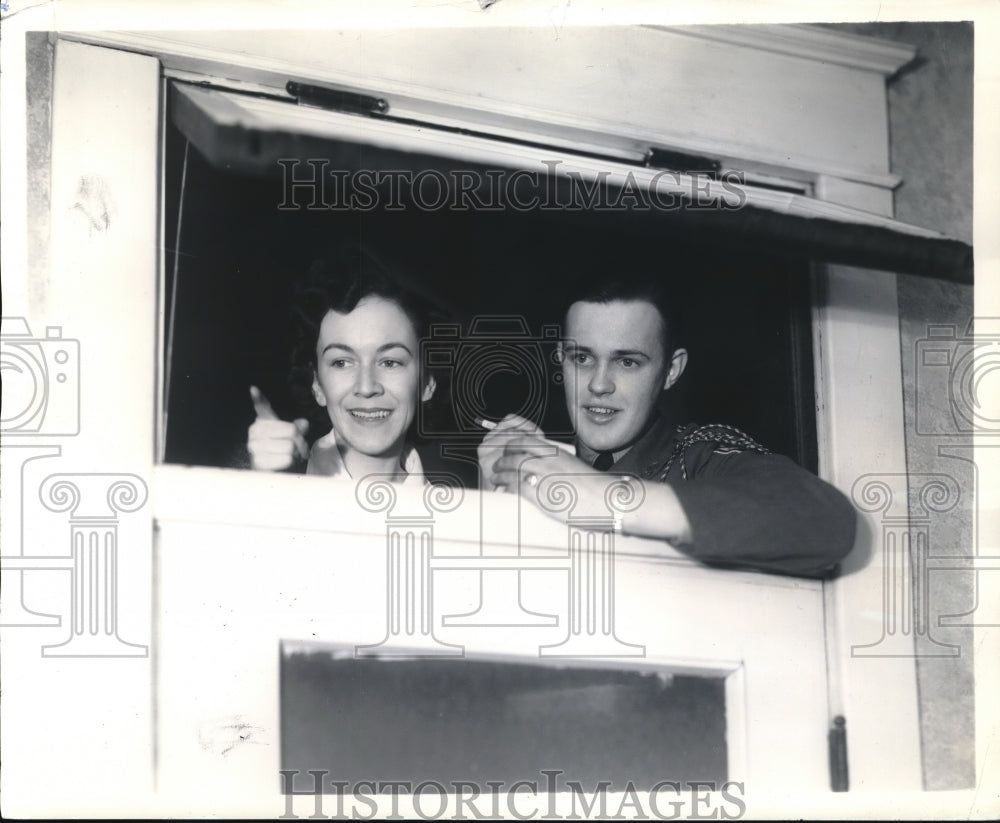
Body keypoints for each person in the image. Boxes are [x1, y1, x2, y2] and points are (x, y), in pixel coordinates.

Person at [478, 275, 856, 578]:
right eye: (582, 358)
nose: (598, 384)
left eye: (627, 362)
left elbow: (828, 522)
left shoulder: (701, 452)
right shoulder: (536, 463)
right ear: (560, 360)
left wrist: (609, 498)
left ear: (670, 371)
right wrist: (491, 503)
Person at [247, 246, 441, 484]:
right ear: (317, 384)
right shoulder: (273, 490)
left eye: (390, 362)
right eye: (341, 362)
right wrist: (261, 489)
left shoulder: (459, 516)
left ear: (427, 382)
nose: (366, 386)